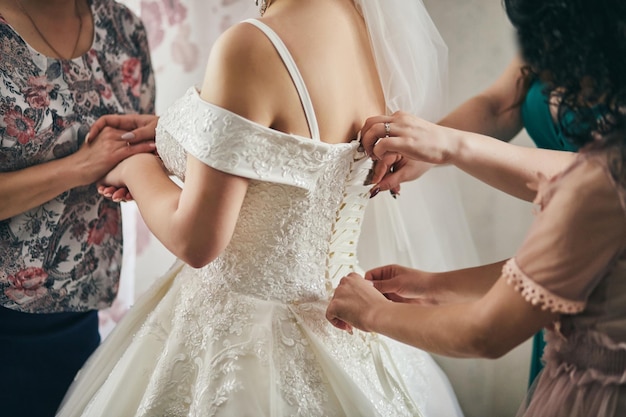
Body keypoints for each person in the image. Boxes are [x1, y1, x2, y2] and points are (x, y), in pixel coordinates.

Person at [56, 0, 465, 416]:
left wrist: (134, 165)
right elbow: (286, 145)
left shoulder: (251, 45)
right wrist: (177, 132)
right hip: (345, 322)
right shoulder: (368, 30)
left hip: (234, 334)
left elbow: (195, 241)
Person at [327, 0, 626, 415]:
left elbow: (486, 333)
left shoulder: (597, 182)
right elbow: (581, 269)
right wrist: (432, 287)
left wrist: (373, 312)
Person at [0, 0, 155, 415]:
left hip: (83, 309)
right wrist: (80, 166)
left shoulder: (123, 28)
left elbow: (140, 145)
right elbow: (93, 161)